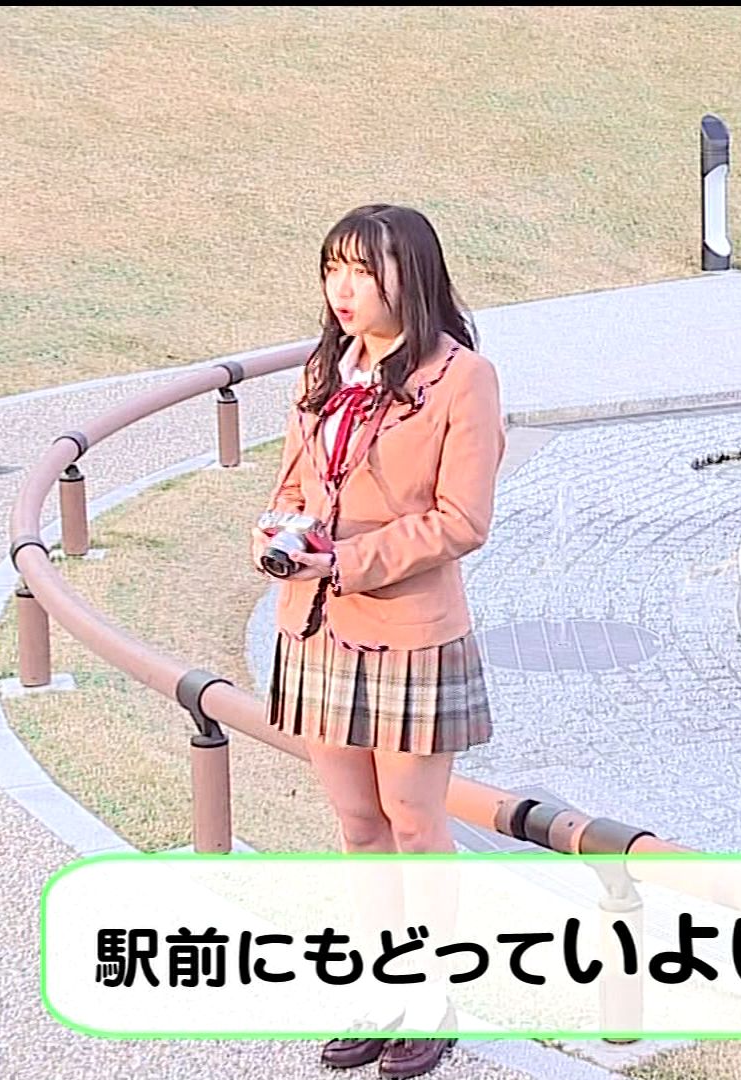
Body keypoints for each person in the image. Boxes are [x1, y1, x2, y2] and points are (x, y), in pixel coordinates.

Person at [253, 203, 505, 1079]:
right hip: (317, 626)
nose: (344, 288)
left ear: (413, 276)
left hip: (407, 634)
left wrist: (346, 560)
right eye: (334, 269)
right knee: (358, 825)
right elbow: (293, 482)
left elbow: (463, 520)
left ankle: (431, 998)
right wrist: (278, 531)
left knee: (413, 822)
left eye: (363, 270)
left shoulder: (462, 378)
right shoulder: (325, 368)